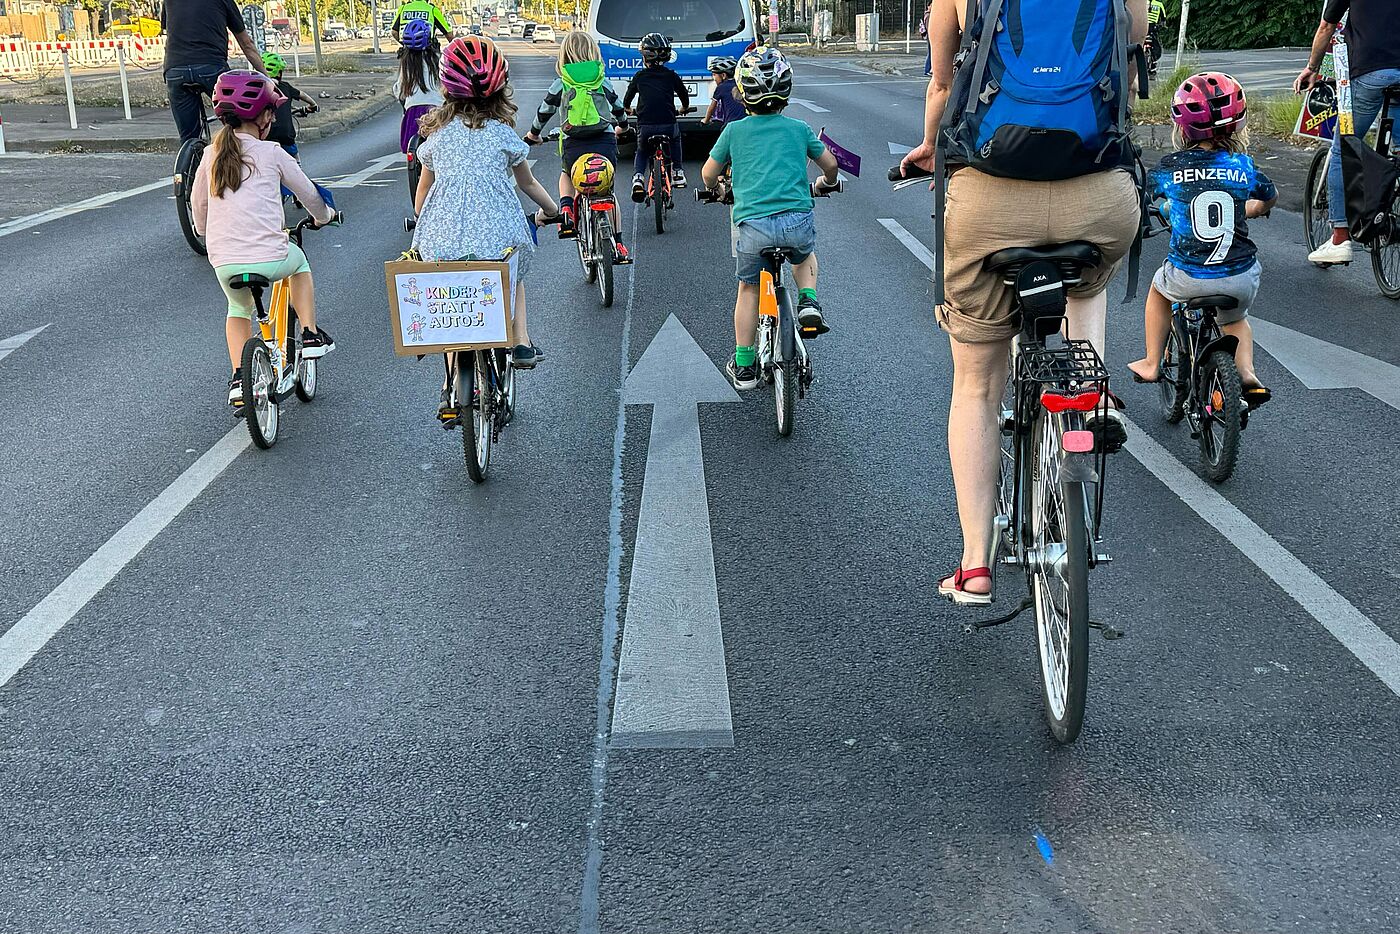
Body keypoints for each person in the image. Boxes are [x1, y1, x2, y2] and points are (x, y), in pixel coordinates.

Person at [901, 0, 1145, 605]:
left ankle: (975, 564)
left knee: (977, 386)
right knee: (1089, 280)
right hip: (1099, 190)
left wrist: (930, 147)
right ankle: (1090, 393)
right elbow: (1132, 48)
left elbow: (942, 83)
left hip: (990, 196)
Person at [412, 37, 559, 380]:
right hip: (497, 241)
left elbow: (422, 197)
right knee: (515, 273)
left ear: (446, 92)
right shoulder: (503, 136)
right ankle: (521, 341)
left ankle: (451, 381)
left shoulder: (437, 138)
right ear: (500, 92)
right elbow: (528, 184)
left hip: (442, 243)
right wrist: (552, 210)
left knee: (450, 302)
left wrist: (425, 218)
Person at [1128, 73, 1277, 408]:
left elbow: (1143, 198)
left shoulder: (1169, 168)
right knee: (1236, 320)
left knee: (1158, 291)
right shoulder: (1243, 167)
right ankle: (1249, 375)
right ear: (1237, 125)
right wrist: (1253, 208)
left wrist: (1163, 207)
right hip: (1240, 276)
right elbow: (1269, 196)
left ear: (1182, 128)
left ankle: (1152, 363)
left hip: (1188, 276)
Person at [191, 71, 337, 410]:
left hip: (223, 260)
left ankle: (239, 379)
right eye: (271, 111)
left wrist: (203, 231)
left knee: (237, 309)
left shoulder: (211, 155)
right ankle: (311, 334)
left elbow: (199, 206)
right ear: (263, 117)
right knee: (298, 262)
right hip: (270, 256)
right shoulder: (272, 153)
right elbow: (309, 195)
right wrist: (323, 217)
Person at [700, 47, 840, 391]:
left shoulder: (734, 131)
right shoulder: (799, 128)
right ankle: (808, 300)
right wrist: (827, 184)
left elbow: (707, 174)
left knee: (747, 288)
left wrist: (717, 189)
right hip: (795, 222)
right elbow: (831, 165)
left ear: (742, 93)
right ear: (787, 92)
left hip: (752, 227)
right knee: (804, 256)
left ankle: (745, 364)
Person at [1295, 0, 1400, 265]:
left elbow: (1327, 25)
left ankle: (1340, 238)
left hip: (1370, 70)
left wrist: (1312, 68)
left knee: (1344, 147)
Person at [524, 31, 630, 260]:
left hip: (573, 142)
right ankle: (619, 244)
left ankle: (566, 209)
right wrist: (623, 127)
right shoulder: (602, 80)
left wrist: (533, 134)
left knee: (566, 173)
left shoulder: (561, 83)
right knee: (608, 193)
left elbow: (544, 112)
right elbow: (619, 108)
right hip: (604, 140)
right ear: (593, 52)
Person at [160, 0, 268, 143]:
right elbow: (246, 44)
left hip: (175, 70)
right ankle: (238, 154)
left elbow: (169, 32)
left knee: (188, 138)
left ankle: (190, 157)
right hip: (211, 66)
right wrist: (267, 78)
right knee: (239, 124)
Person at [624, 32, 691, 201]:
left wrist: (627, 109)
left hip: (645, 125)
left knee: (642, 150)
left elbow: (628, 97)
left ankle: (638, 177)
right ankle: (677, 171)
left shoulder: (639, 76)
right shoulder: (671, 75)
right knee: (675, 139)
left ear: (645, 57)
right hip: (668, 123)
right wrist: (684, 108)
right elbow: (683, 94)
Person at [394, 18, 444, 155]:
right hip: (437, 111)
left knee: (411, 149)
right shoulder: (438, 60)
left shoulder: (406, 63)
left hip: (413, 112)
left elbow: (398, 89)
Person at [261, 52, 318, 157]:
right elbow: (302, 95)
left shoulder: (259, 89)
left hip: (265, 139)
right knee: (296, 166)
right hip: (286, 138)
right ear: (279, 73)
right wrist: (313, 105)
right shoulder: (286, 87)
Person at [701, 57, 744, 128]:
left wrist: (706, 120)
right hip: (745, 122)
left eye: (714, 75)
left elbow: (712, 106)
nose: (713, 78)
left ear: (723, 75)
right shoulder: (741, 84)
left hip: (731, 125)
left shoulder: (721, 87)